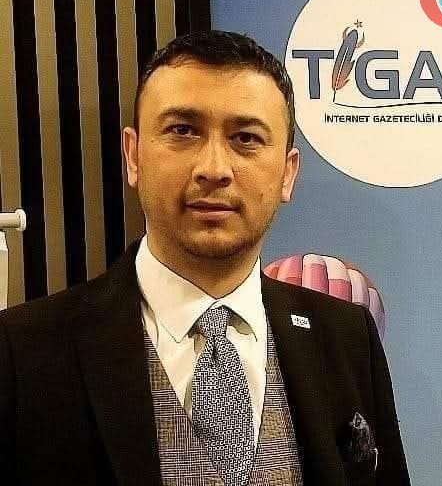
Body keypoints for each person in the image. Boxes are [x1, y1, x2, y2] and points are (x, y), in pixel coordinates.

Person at [0, 31, 410, 485]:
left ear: (287, 173)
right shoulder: (22, 352)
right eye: (182, 131)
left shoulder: (347, 337)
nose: (213, 169)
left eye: (246, 138)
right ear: (133, 156)